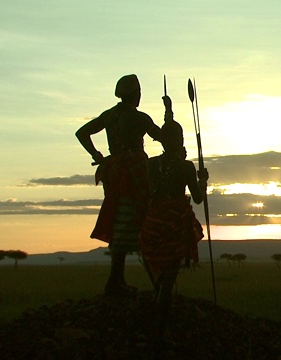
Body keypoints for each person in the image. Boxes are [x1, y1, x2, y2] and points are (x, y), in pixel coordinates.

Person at [75, 74, 162, 297]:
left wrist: (98, 155)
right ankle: (149, 282)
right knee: (138, 218)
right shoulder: (140, 118)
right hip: (134, 174)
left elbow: (82, 132)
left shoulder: (109, 116)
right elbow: (165, 138)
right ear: (136, 95)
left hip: (114, 173)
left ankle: (117, 280)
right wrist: (169, 117)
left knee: (119, 217)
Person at [139, 105, 208, 340]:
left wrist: (169, 112)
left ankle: (159, 317)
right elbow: (198, 199)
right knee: (168, 280)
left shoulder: (151, 164)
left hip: (153, 222)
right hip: (175, 224)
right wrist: (203, 181)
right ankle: (160, 329)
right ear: (179, 140)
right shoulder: (186, 167)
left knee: (162, 278)